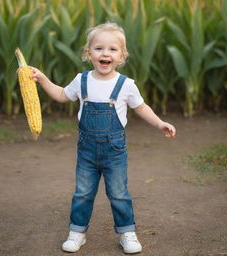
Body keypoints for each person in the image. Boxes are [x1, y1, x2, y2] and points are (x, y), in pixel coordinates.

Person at [28, 22, 176, 254]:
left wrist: (160, 123)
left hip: (114, 151)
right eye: (98, 48)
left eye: (112, 49)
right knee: (83, 193)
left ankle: (127, 232)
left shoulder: (126, 85)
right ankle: (77, 232)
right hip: (86, 151)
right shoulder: (82, 80)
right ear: (89, 53)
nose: (105, 53)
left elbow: (141, 107)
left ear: (122, 56)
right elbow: (60, 95)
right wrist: (43, 78)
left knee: (118, 193)